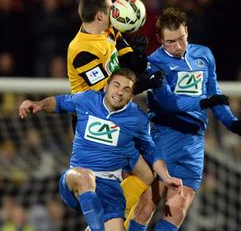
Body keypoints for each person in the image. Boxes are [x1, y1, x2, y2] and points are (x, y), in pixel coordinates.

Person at [126, 7, 241, 231]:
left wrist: (231, 122)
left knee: (178, 209)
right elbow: (168, 102)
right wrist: (204, 103)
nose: (178, 46)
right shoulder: (154, 62)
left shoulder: (204, 55)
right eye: (170, 42)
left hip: (194, 143)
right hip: (165, 137)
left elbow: (215, 93)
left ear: (187, 32)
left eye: (181, 39)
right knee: (147, 204)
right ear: (160, 40)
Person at [18, 68, 183, 231]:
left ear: (131, 96)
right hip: (75, 180)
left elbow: (151, 151)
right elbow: (59, 102)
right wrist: (38, 104)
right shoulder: (87, 99)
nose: (119, 92)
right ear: (106, 87)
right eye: (116, 85)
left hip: (109, 189)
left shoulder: (137, 119)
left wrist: (166, 176)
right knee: (85, 176)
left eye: (126, 89)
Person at [66, 0, 163, 219]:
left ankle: (110, 221)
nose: (116, 10)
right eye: (111, 8)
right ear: (100, 15)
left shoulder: (109, 30)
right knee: (129, 180)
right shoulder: (82, 50)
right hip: (93, 123)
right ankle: (106, 220)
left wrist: (139, 57)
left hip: (116, 114)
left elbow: (128, 64)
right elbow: (111, 93)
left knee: (147, 177)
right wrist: (146, 83)